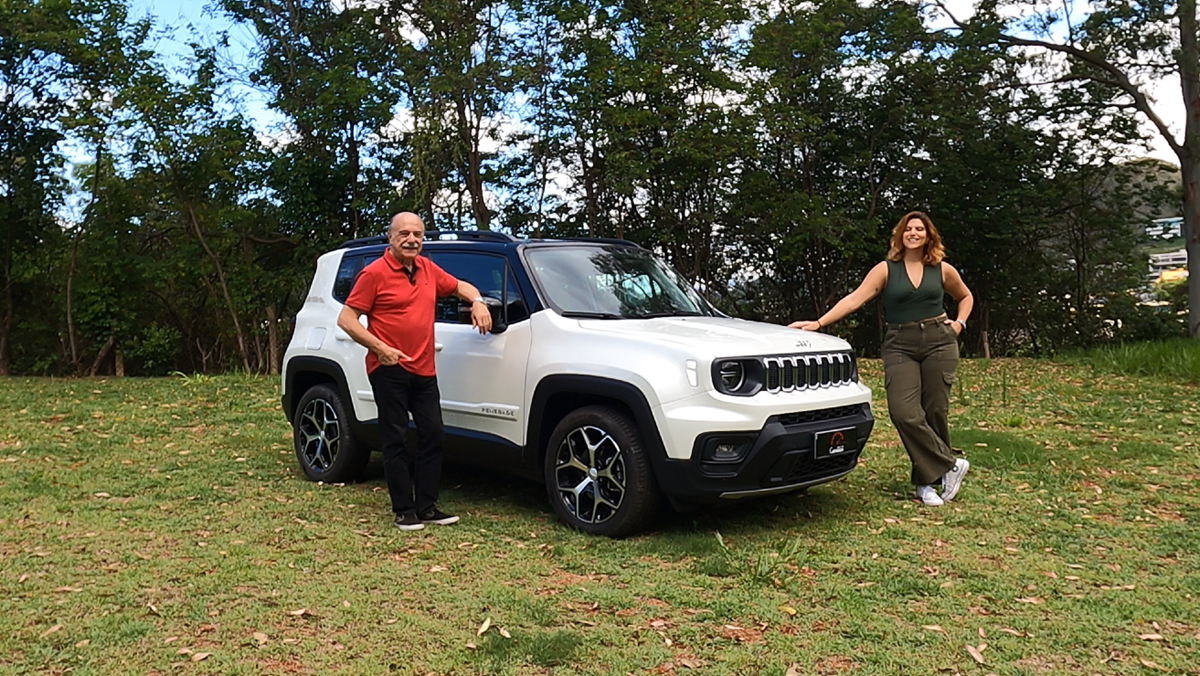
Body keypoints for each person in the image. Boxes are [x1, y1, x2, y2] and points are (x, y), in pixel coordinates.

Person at [789, 211, 974, 506]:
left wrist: (959, 323)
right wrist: (819, 323)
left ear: (929, 235)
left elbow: (966, 296)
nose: (913, 233)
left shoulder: (942, 269)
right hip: (900, 344)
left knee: (934, 411)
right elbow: (854, 299)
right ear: (900, 235)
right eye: (908, 229)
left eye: (920, 229)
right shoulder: (886, 269)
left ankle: (926, 483)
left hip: (940, 341)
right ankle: (949, 465)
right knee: (904, 412)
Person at [338, 212, 492, 530]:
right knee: (394, 438)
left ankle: (427, 507)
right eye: (405, 233)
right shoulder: (374, 273)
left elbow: (460, 285)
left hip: (424, 369)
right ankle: (403, 510)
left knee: (433, 434)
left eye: (418, 234)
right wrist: (380, 348)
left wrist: (477, 301)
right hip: (388, 367)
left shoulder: (426, 268)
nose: (412, 240)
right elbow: (347, 319)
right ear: (391, 237)